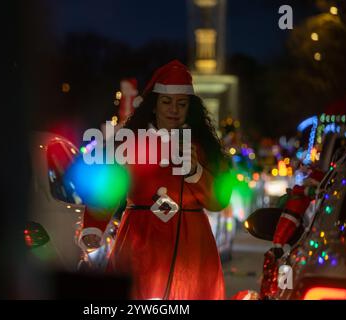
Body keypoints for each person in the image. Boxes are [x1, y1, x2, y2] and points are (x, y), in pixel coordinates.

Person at [78, 60, 231, 300]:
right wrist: (94, 226)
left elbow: (218, 201)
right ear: (154, 105)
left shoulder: (204, 148)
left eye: (182, 104)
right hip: (140, 240)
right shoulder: (132, 144)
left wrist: (196, 172)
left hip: (192, 247)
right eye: (167, 102)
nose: (174, 110)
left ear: (190, 107)